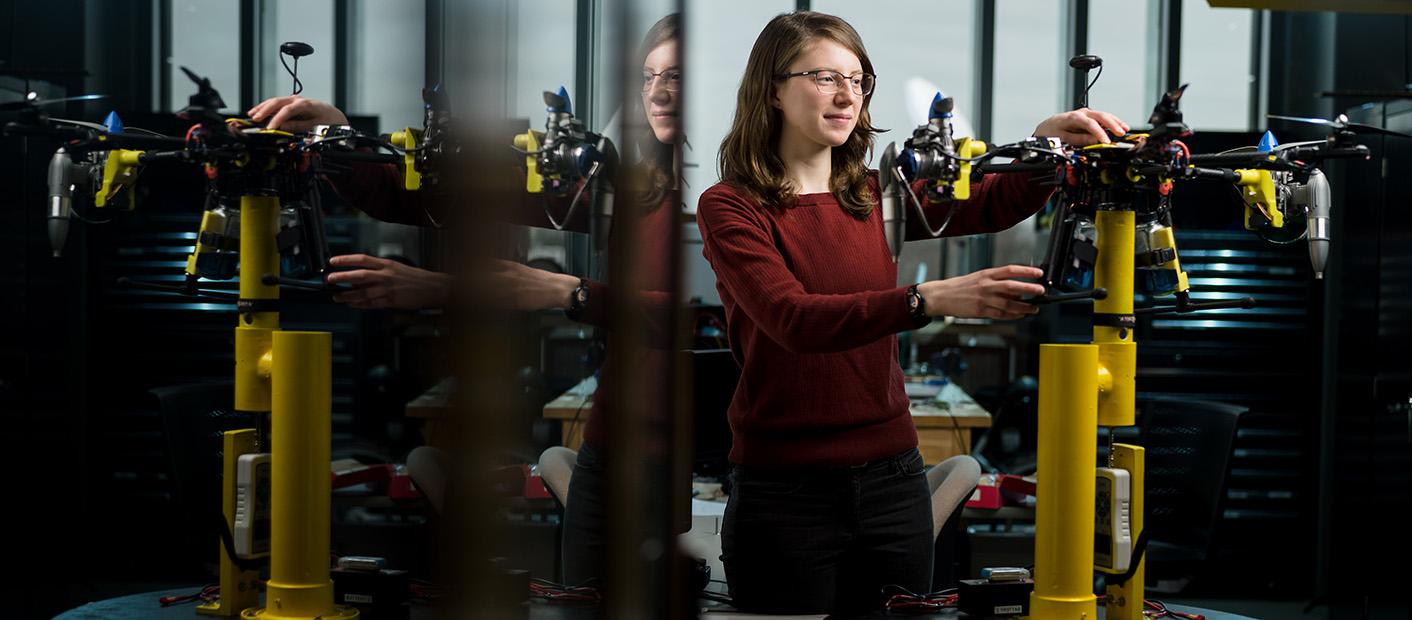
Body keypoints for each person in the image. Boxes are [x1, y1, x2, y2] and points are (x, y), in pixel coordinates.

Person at [697, 11, 1129, 614]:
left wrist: (1046, 145)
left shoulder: (876, 195)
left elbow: (994, 202)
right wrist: (928, 299)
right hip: (785, 491)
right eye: (825, 77)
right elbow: (792, 319)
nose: (848, 95)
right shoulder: (731, 207)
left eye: (858, 78)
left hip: (891, 481)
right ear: (771, 88)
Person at [246, 14, 686, 589]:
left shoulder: (731, 194)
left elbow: (702, 317)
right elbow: (446, 198)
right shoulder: (632, 186)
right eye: (648, 76)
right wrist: (339, 137)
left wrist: (563, 291)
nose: (657, 92)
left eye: (675, 75)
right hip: (610, 442)